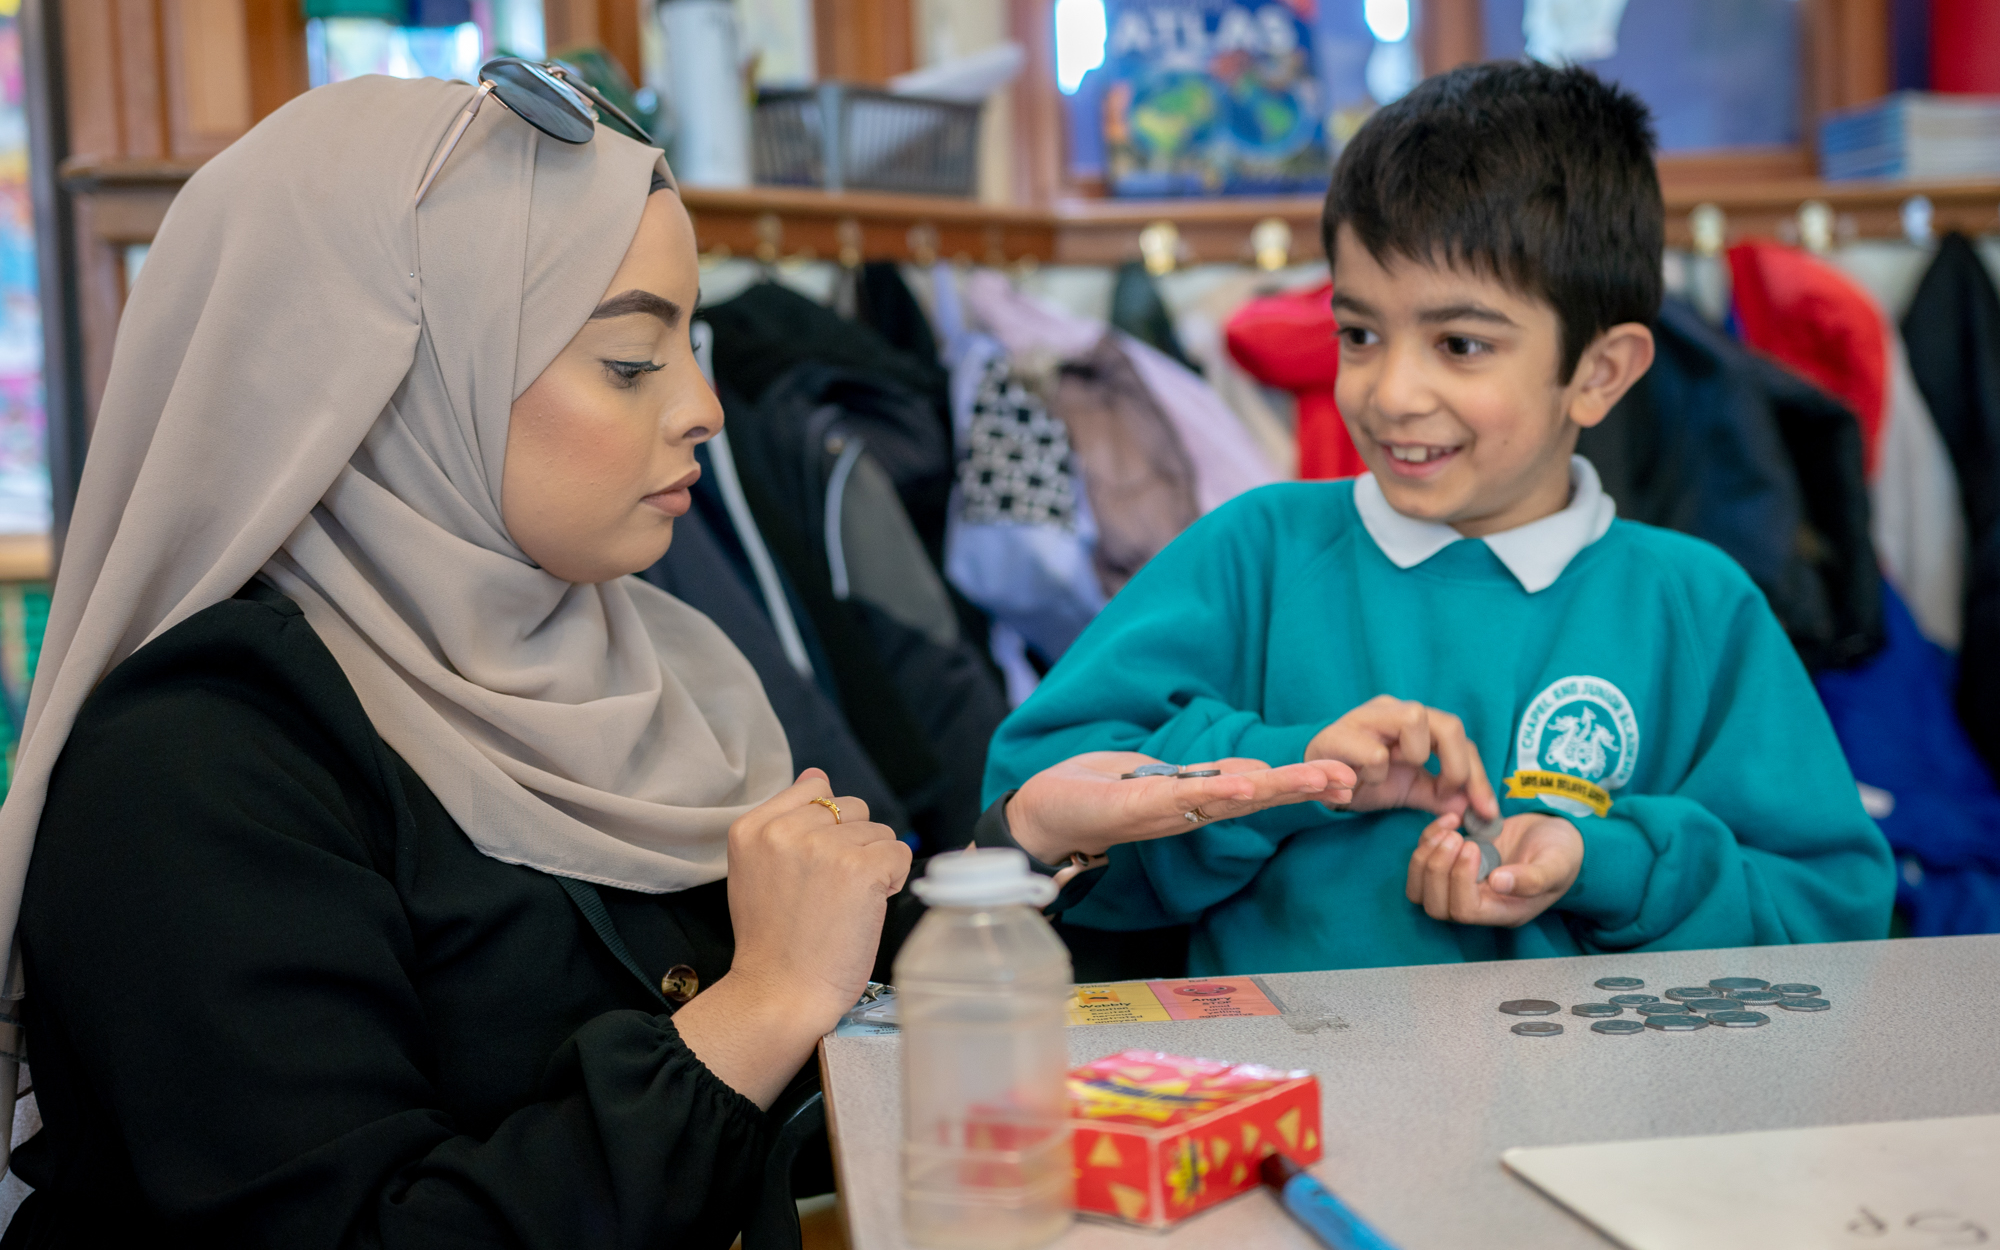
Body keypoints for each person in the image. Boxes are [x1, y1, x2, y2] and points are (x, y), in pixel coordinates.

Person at [0, 74, 1357, 1248]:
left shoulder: (655, 662)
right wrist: (757, 1008)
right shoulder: (192, 772)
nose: (707, 410)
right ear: (404, 382)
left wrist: (1020, 857)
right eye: (632, 360)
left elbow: (821, 1009)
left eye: (687, 351)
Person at [982, 62, 1897, 974]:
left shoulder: (1695, 605)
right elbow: (1033, 805)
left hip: (1604, 1117)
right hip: (1290, 1109)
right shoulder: (1253, 551)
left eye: (1460, 344)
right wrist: (1288, 770)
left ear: (1600, 372)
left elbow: (1832, 919)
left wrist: (1601, 860)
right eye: (1359, 334)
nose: (1392, 392)